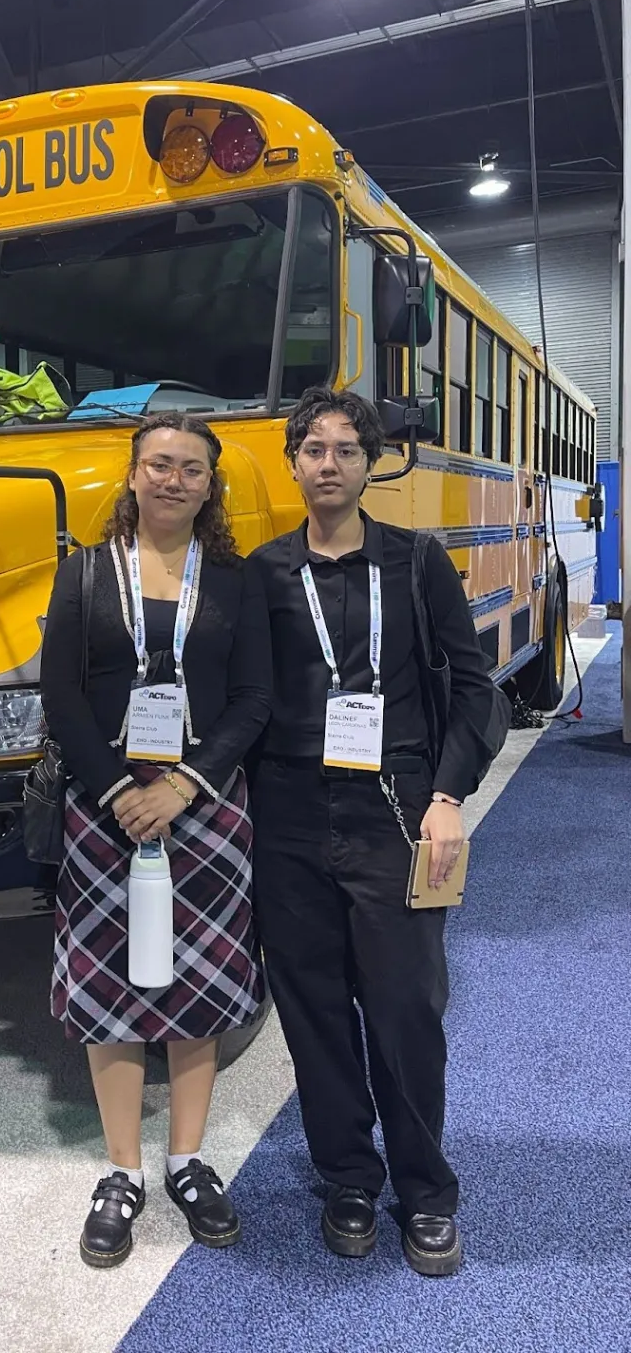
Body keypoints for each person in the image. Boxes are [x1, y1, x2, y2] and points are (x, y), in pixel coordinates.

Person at [250, 386, 502, 1277]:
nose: (328, 463)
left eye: (346, 449)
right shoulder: (264, 572)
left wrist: (447, 795)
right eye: (313, 448)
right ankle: (348, 1175)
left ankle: (426, 1190)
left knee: (404, 1007)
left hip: (394, 806)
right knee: (313, 1010)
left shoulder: (416, 563)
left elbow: (477, 691)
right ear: (293, 463)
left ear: (370, 464)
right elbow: (240, 699)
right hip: (284, 813)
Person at [41, 412, 272, 1268]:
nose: (173, 480)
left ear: (211, 487)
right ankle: (121, 1173)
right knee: (113, 993)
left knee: (196, 988)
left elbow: (255, 699)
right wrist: (116, 790)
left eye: (191, 470)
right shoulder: (82, 574)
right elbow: (61, 694)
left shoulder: (238, 583)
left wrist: (181, 786)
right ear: (132, 476)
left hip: (206, 808)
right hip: (105, 812)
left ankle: (188, 1160)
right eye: (158, 465)